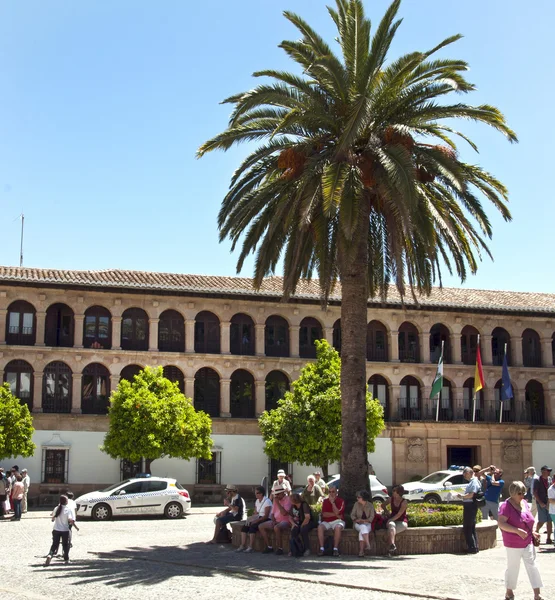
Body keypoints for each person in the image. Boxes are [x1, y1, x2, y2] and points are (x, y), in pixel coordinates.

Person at [498, 481, 543, 600]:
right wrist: (516, 530)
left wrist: (532, 532)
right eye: (519, 493)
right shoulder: (506, 506)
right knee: (513, 567)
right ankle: (509, 592)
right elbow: (501, 523)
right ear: (512, 493)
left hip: (527, 541)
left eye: (524, 492)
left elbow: (527, 521)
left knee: (532, 566)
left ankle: (537, 594)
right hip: (513, 543)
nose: (522, 495)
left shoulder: (524, 503)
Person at [236, 486, 272, 553]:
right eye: (255, 493)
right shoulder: (257, 501)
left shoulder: (267, 501)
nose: (256, 495)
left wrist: (256, 521)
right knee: (245, 527)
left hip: (266, 518)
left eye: (257, 493)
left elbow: (266, 516)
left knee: (252, 527)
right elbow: (255, 512)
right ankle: (242, 545)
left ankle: (250, 547)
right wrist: (251, 518)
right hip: (258, 517)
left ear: (261, 494)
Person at [258, 485, 293, 555]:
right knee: (261, 526)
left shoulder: (288, 500)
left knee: (276, 528)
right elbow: (272, 513)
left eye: (278, 494)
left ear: (283, 493)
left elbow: (284, 513)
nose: (276, 496)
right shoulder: (275, 500)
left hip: (286, 521)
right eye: (276, 494)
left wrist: (278, 503)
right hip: (276, 520)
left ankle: (280, 548)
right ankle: (269, 546)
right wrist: (273, 521)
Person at [44, 495, 78, 565]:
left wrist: (55, 519)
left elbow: (52, 519)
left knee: (54, 545)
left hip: (56, 529)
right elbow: (70, 520)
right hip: (65, 530)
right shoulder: (68, 509)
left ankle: (50, 555)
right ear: (66, 502)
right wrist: (75, 526)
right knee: (65, 545)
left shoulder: (56, 508)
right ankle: (66, 559)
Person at [456, 466, 481, 554]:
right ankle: (474, 547)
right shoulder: (472, 481)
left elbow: (472, 494)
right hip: (469, 505)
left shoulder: (474, 481)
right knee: (471, 527)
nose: (465, 477)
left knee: (468, 527)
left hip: (470, 506)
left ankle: (472, 547)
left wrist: (461, 496)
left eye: (465, 475)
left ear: (469, 473)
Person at [317, 484, 345, 557]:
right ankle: (322, 548)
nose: (331, 493)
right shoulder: (325, 501)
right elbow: (324, 514)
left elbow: (338, 512)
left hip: (338, 521)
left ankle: (335, 549)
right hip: (327, 521)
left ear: (336, 493)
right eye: (330, 492)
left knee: (338, 528)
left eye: (333, 492)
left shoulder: (341, 501)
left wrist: (333, 503)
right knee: (320, 527)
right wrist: (336, 514)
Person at [384, 485, 407, 555]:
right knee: (391, 525)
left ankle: (389, 551)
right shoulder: (391, 499)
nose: (392, 492)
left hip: (402, 521)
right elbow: (382, 505)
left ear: (398, 493)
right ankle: (392, 545)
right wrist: (386, 511)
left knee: (390, 532)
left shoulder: (404, 502)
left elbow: (399, 514)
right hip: (393, 520)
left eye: (394, 491)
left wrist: (390, 519)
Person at [351, 490, 375, 557]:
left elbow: (372, 517)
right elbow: (352, 515)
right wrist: (356, 520)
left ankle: (361, 552)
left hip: (368, 523)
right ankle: (368, 544)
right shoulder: (356, 504)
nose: (357, 498)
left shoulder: (370, 505)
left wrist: (364, 521)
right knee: (363, 527)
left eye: (359, 497)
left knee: (362, 530)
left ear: (363, 498)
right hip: (357, 524)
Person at [533, 466, 552, 544]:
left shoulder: (549, 479)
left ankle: (549, 538)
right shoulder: (537, 480)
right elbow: (535, 492)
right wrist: (540, 502)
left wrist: (549, 502)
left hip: (548, 502)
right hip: (541, 502)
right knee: (542, 520)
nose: (549, 472)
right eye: (548, 470)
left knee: (549, 520)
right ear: (543, 471)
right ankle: (536, 532)